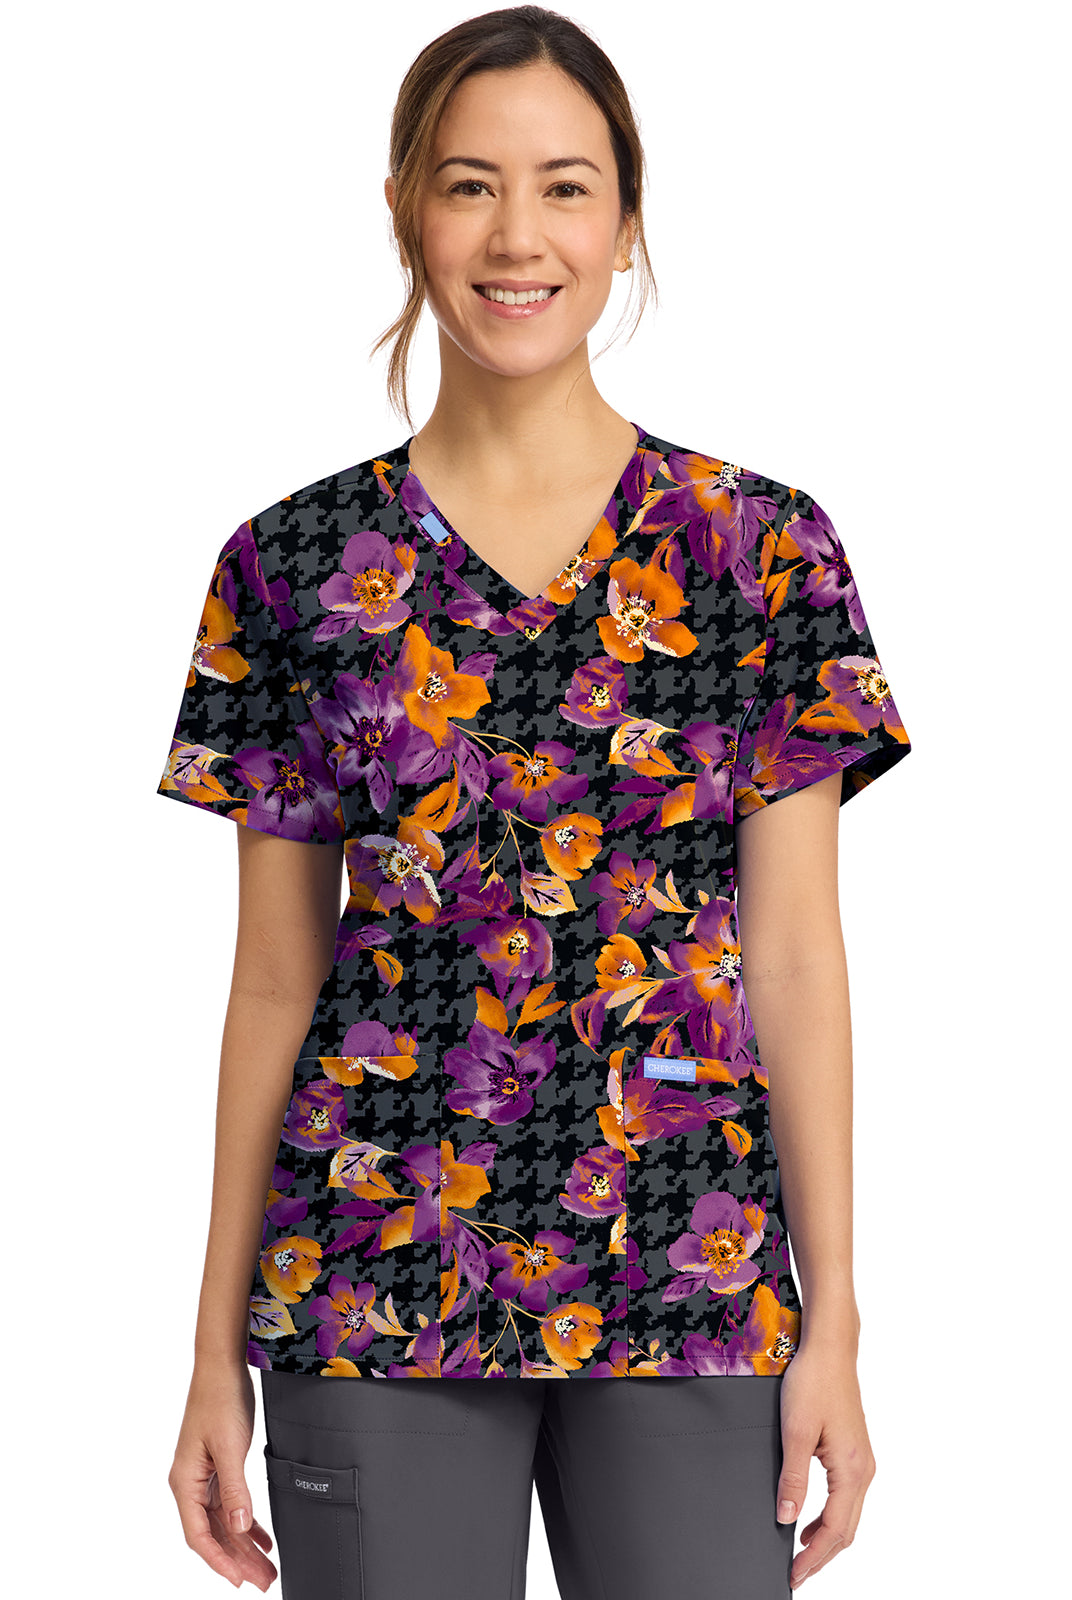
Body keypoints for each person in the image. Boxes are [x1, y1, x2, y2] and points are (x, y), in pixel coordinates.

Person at [156, 8, 912, 1597]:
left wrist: (835, 1321)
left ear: (626, 222)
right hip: (371, 1278)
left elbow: (795, 960)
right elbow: (276, 980)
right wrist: (211, 1349)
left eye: (566, 188)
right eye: (469, 185)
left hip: (693, 1272)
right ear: (404, 211)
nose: (518, 237)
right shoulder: (290, 569)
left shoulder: (758, 550)